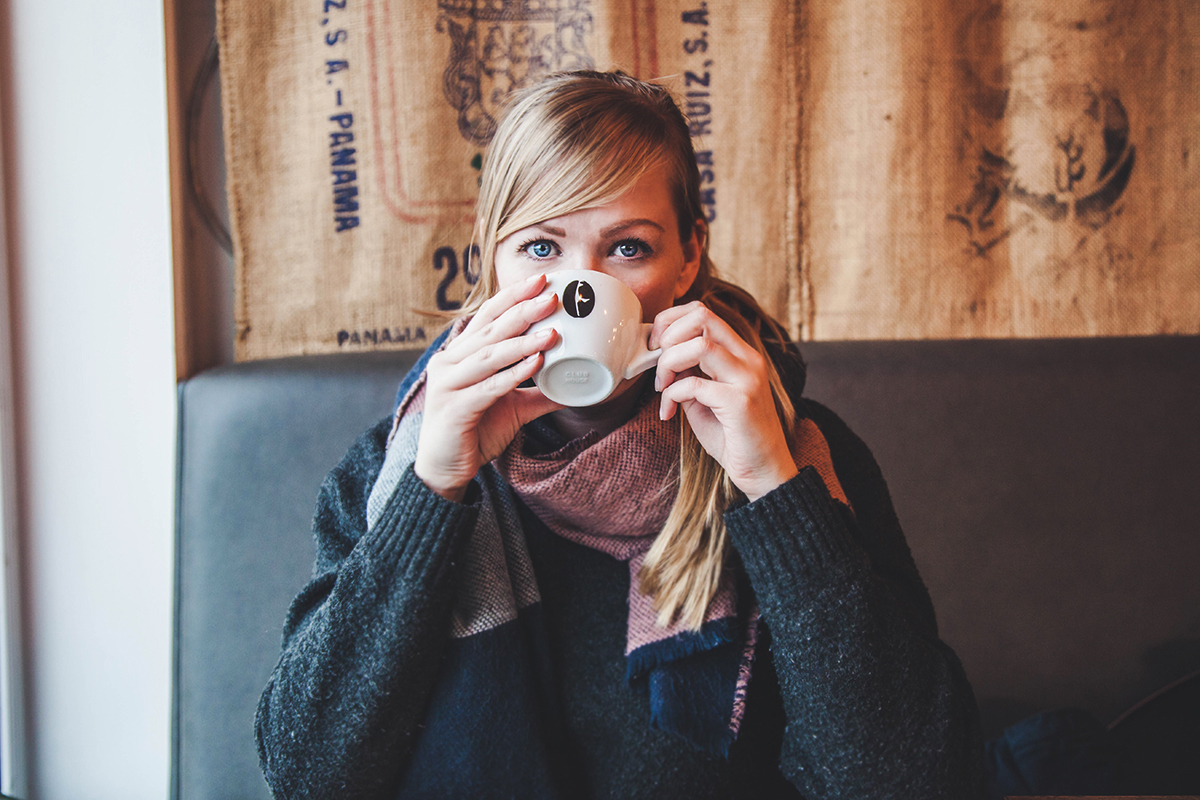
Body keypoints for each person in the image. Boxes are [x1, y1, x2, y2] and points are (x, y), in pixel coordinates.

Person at [255, 70, 984, 799]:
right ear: (490, 258)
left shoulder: (794, 452)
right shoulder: (391, 469)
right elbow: (308, 776)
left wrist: (774, 489)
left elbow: (915, 780)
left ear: (688, 258)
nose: (581, 285)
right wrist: (432, 493)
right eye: (541, 248)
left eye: (627, 248)